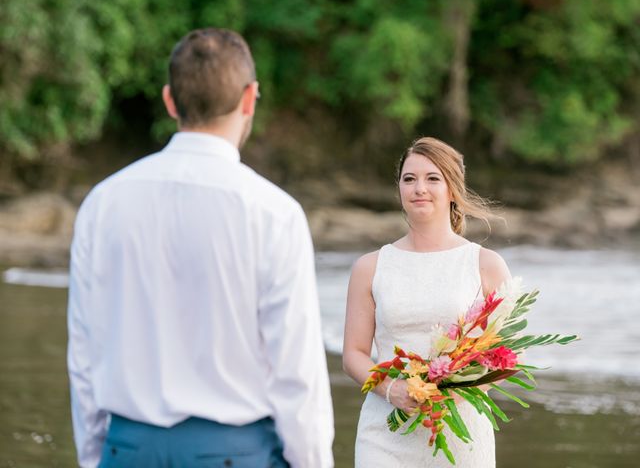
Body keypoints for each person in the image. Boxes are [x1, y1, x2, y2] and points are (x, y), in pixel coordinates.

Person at [67, 28, 334, 468]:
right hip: (236, 452)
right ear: (249, 98)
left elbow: (84, 351)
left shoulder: (103, 202)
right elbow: (296, 371)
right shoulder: (274, 212)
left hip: (128, 448)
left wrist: (97, 455)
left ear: (170, 100)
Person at [342, 137, 511, 467]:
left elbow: (505, 358)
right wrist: (393, 390)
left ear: (452, 189)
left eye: (432, 178)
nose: (419, 188)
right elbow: (354, 355)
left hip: (459, 433)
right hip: (385, 435)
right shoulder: (370, 267)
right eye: (409, 179)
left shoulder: (486, 264)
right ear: (399, 190)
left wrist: (459, 388)